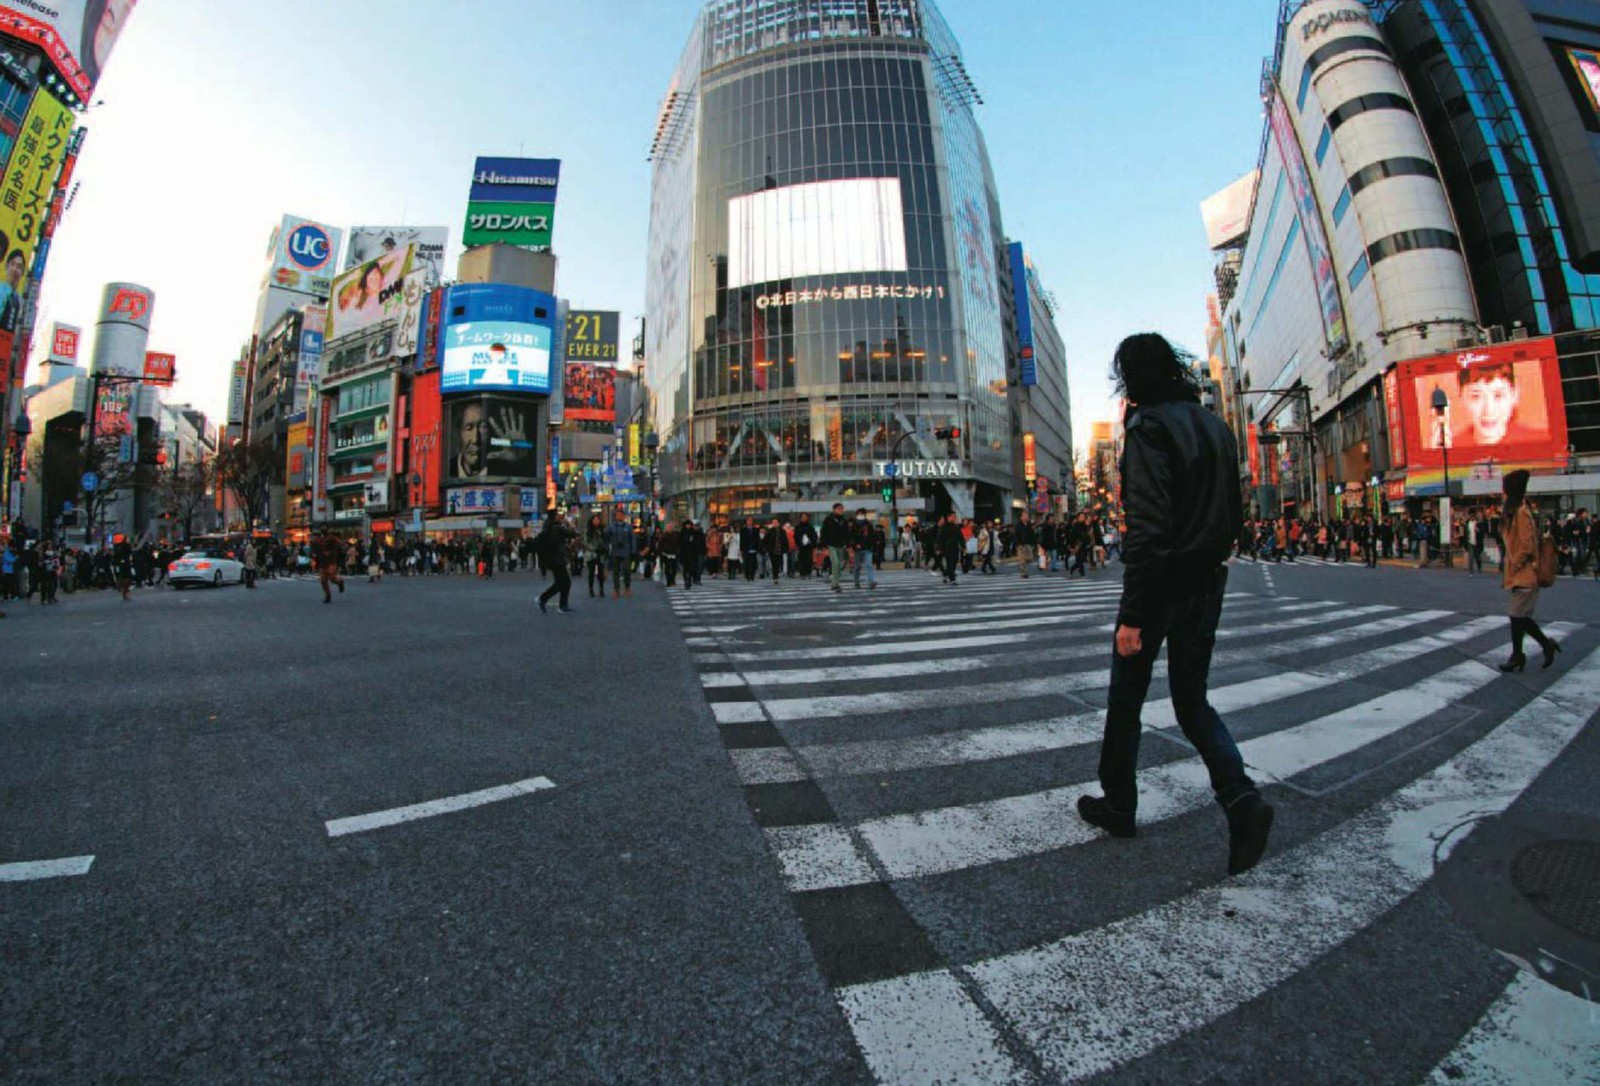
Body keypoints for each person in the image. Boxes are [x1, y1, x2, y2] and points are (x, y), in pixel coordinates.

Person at [1077, 333, 1273, 876]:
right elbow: (1234, 518)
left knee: (1126, 699)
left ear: (1131, 376)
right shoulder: (1214, 426)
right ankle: (1241, 801)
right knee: (1192, 701)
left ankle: (1119, 805)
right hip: (1206, 581)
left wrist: (1135, 613)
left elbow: (1147, 528)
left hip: (1159, 583)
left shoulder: (1148, 429)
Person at [1497, 470, 1560, 671]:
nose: (1502, 494)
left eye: (1505, 490)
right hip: (1520, 573)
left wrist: (1516, 563)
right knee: (1519, 617)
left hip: (1524, 572)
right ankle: (1524, 653)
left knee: (1517, 616)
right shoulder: (1515, 512)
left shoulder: (1521, 513)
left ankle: (1532, 649)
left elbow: (1527, 543)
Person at [819, 502, 850, 593]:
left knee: (838, 565)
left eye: (841, 508)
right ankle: (834, 584)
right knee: (835, 563)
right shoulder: (828, 520)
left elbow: (846, 534)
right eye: (838, 508)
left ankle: (836, 582)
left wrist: (848, 545)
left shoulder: (844, 521)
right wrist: (823, 546)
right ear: (834, 510)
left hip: (841, 545)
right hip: (831, 545)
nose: (840, 510)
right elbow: (823, 532)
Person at [607, 509, 636, 597]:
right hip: (615, 551)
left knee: (627, 570)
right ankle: (616, 590)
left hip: (626, 551)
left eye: (621, 515)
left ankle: (627, 588)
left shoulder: (628, 527)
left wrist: (633, 550)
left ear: (624, 516)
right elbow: (606, 538)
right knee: (616, 572)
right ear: (615, 516)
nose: (619, 516)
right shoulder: (611, 527)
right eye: (617, 515)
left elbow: (633, 539)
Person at [312, 529, 345, 603]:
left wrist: (330, 553)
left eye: (316, 537)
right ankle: (328, 596)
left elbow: (337, 548)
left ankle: (340, 582)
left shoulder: (331, 539)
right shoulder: (316, 544)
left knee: (332, 578)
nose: (315, 539)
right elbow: (316, 554)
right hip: (322, 563)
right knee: (323, 581)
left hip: (331, 562)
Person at [849, 509, 878, 589]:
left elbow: (872, 537)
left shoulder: (869, 525)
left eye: (862, 514)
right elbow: (851, 537)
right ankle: (856, 582)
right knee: (857, 567)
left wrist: (873, 546)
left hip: (867, 548)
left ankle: (871, 581)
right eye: (859, 514)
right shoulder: (853, 526)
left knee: (869, 565)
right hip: (857, 549)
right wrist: (854, 545)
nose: (860, 516)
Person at [1013, 512, 1037, 578]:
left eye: (1027, 515)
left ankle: (1022, 566)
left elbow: (1032, 535)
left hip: (1028, 543)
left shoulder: (1029, 525)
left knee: (1030, 558)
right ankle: (1023, 573)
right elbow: (1016, 535)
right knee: (1022, 560)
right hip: (1020, 544)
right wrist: (1018, 543)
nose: (1026, 516)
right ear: (1021, 517)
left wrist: (1034, 543)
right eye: (1025, 515)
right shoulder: (1018, 525)